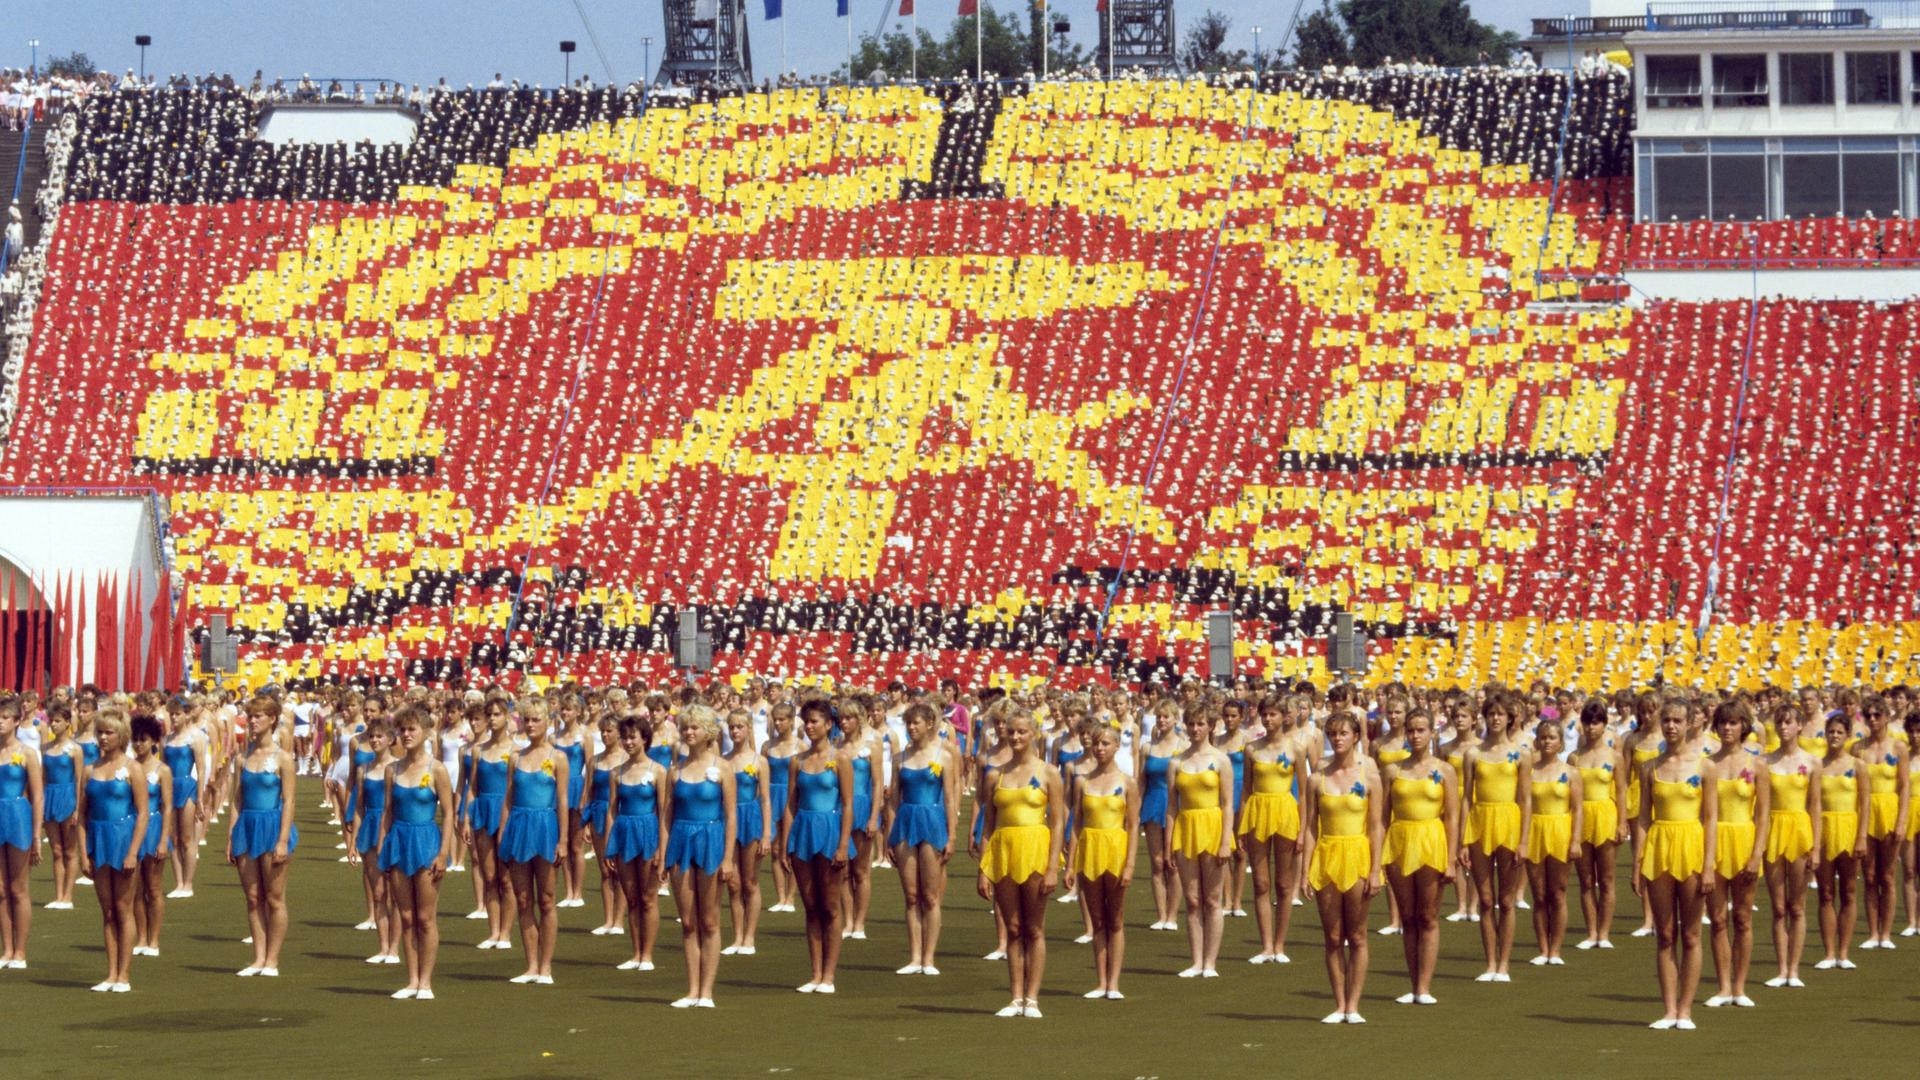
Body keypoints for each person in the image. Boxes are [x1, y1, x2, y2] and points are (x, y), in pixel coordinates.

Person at [977, 704, 1064, 1018]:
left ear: (1033, 734)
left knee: (1034, 928)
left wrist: (1053, 867)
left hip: (1036, 851)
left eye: (1021, 731)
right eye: (1010, 731)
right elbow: (988, 825)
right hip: (1003, 852)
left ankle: (1033, 998)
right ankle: (1015, 997)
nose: (1014, 736)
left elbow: (1057, 822)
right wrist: (983, 869)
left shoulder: (1048, 772)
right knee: (1013, 927)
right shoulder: (994, 774)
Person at [1638, 699, 1716, 1030]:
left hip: (1692, 846)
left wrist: (1710, 864)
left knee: (1692, 933)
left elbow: (1711, 818)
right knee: (1665, 933)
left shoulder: (1704, 767)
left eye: (1677, 720)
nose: (1671, 726)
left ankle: (1686, 1010)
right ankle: (1669, 1009)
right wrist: (1639, 861)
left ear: (1688, 724)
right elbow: (1643, 817)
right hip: (1659, 845)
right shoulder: (1649, 767)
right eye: (1666, 720)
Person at [1306, 711, 1383, 1024]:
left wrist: (1376, 870)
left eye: (1343, 734)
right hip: (1326, 854)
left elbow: (1376, 827)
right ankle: (1339, 1004)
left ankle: (1354, 1004)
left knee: (1358, 934)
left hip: (1357, 853)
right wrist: (1305, 872)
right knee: (1333, 936)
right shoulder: (1317, 778)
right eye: (1333, 734)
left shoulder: (1370, 779)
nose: (1337, 739)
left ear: (1356, 737)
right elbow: (1310, 827)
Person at [377, 704, 454, 1000]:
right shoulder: (391, 769)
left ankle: (426, 981)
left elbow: (448, 813)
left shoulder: (437, 769)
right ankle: (411, 980)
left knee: (425, 917)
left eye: (412, 729)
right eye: (402, 729)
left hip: (426, 842)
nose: (406, 734)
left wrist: (443, 852)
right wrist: (383, 849)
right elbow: (387, 812)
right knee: (406, 916)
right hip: (399, 842)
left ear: (425, 732)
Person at [1381, 709, 1458, 1004]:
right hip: (1400, 841)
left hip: (1431, 840)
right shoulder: (1393, 770)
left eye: (1421, 730)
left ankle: (1424, 987)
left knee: (1428, 915)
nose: (1415, 736)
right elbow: (1382, 817)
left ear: (1431, 733)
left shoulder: (1445, 770)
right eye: (1411, 731)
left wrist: (1450, 859)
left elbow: (1451, 816)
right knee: (1408, 915)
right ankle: (1413, 984)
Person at [665, 706, 737, 1008]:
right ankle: (692, 989)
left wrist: (728, 858)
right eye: (685, 727)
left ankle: (706, 992)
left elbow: (731, 817)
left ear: (707, 731)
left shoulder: (723, 769)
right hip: (681, 841)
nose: (689, 732)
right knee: (688, 922)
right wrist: (663, 854)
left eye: (694, 727)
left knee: (709, 920)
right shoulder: (675, 770)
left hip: (711, 840)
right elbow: (667, 815)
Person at [784, 698, 853, 994]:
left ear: (828, 725)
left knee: (830, 906)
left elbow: (848, 805)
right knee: (811, 906)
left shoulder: (840, 760)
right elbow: (790, 804)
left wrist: (842, 844)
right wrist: (786, 843)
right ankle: (814, 974)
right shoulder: (797, 761)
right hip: (803, 833)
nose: (810, 727)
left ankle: (829, 975)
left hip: (830, 832)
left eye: (815, 721)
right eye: (807, 721)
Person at [498, 696, 568, 985]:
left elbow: (563, 800)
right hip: (519, 827)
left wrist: (563, 839)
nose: (530, 725)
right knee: (523, 899)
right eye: (527, 720)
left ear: (547, 722)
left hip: (546, 827)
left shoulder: (559, 758)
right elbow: (508, 799)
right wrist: (503, 835)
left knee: (547, 899)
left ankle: (546, 967)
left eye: (536, 719)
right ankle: (531, 966)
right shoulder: (515, 757)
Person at [1460, 694, 1531, 982]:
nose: (1496, 719)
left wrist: (1524, 840)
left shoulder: (1521, 753)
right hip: (1480, 823)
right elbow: (1466, 797)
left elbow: (1526, 799)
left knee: (1507, 899)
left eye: (1501, 714)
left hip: (1509, 823)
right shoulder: (1473, 754)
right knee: (1486, 899)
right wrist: (1463, 840)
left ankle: (1504, 964)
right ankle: (1489, 962)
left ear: (1510, 718)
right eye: (1491, 714)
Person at [79, 708, 149, 993]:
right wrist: (83, 854)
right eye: (100, 732)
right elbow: (81, 816)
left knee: (124, 908)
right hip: (98, 839)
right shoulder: (89, 769)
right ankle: (110, 973)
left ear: (121, 736)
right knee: (107, 911)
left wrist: (133, 851)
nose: (103, 738)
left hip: (123, 839)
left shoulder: (133, 768)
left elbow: (143, 813)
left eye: (109, 732)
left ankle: (124, 975)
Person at [886, 702, 957, 975]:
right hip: (905, 823)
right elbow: (892, 800)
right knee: (911, 895)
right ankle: (915, 957)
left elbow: (950, 799)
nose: (911, 728)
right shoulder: (899, 758)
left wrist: (951, 836)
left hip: (932, 822)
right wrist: (889, 837)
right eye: (908, 723)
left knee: (930, 895)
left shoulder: (943, 756)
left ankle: (929, 958)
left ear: (929, 724)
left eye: (916, 723)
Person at [229, 695, 297, 977]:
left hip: (272, 826)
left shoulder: (283, 758)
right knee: (253, 896)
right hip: (246, 826)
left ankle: (272, 959)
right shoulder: (243, 757)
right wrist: (231, 837)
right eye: (250, 715)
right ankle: (257, 957)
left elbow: (290, 800)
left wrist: (282, 839)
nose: (252, 721)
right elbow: (236, 800)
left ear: (272, 719)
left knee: (274, 896)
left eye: (258, 716)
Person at [1241, 693, 1310, 964]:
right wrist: (1241, 827)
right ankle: (1266, 945)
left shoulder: (1296, 748)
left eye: (1273, 714)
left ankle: (1280, 945)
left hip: (1285, 811)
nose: (1268, 719)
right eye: (1265, 714)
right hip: (1258, 811)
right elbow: (1246, 790)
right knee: (1260, 882)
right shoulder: (1251, 749)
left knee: (1283, 883)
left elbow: (1304, 794)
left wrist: (1303, 830)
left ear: (1284, 717)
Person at [1168, 702, 1235, 978]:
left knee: (1212, 898)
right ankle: (1196, 961)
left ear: (1210, 726)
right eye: (1191, 723)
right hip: (1186, 828)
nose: (1195, 729)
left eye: (1200, 724)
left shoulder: (1221, 760)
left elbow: (1228, 803)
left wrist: (1224, 840)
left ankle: (1210, 962)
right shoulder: (1176, 761)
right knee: (1192, 899)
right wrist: (1168, 843)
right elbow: (1172, 807)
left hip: (1212, 826)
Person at [1072, 722, 1137, 999]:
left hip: (1116, 848)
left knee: (1116, 918)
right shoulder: (1082, 780)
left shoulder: (1127, 783)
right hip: (1090, 848)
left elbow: (1133, 825)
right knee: (1097, 918)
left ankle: (1114, 982)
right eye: (1096, 743)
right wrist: (1071, 862)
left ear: (1116, 746)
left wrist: (1130, 864)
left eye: (1105, 743)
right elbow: (1076, 824)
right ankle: (1101, 982)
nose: (1099, 748)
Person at [1761, 702, 1820, 987]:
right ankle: (1781, 968)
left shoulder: (1811, 762)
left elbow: (1815, 806)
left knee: (1797, 906)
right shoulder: (1764, 762)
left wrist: (1817, 847)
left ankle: (1794, 970)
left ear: (1799, 726)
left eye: (1788, 722)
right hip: (1773, 829)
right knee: (1778, 907)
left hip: (1799, 831)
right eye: (1779, 722)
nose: (1783, 727)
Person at [604, 715, 668, 973]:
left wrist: (661, 851)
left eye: (633, 737)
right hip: (624, 834)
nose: (628, 742)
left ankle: (648, 955)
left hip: (649, 833)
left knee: (648, 896)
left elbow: (664, 812)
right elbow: (611, 811)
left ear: (645, 738)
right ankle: (636, 952)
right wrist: (610, 845)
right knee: (631, 897)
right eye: (625, 737)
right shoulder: (616, 773)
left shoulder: (658, 771)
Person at [1523, 719, 1583, 966]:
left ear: (1561, 742)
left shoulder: (1570, 773)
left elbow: (1577, 809)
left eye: (1552, 738)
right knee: (1538, 894)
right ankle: (1543, 948)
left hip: (1560, 830)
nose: (1547, 742)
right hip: (1536, 829)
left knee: (1557, 892)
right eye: (1543, 737)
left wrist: (1576, 840)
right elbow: (1523, 805)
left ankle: (1556, 950)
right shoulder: (1529, 772)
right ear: (1537, 740)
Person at [1855, 696, 1909, 951]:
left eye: (1878, 715)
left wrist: (1901, 821)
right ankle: (1873, 931)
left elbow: (1905, 787)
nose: (1873, 720)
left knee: (1887, 876)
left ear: (1886, 717)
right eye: (1869, 716)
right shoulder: (1858, 749)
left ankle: (1886, 933)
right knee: (1869, 875)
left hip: (1889, 810)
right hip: (1866, 812)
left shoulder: (1898, 748)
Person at [1569, 700, 1625, 949]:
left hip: (1605, 814)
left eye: (1596, 722)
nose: (1592, 727)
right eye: (1588, 722)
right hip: (1581, 817)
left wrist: (1623, 822)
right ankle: (1591, 931)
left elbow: (1621, 791)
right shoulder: (1574, 757)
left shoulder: (1614, 756)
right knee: (1585, 879)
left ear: (1604, 724)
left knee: (1607, 878)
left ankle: (1604, 932)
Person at [1814, 713, 1867, 971]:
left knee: (1848, 891)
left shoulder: (1857, 766)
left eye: (1839, 732)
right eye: (1831, 732)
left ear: (1848, 736)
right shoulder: (1818, 765)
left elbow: (1865, 804)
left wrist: (1861, 837)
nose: (1834, 736)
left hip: (1849, 827)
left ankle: (1844, 952)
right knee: (1825, 893)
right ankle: (1829, 952)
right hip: (1824, 830)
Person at [465, 698, 516, 950]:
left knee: (506, 878)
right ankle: (493, 931)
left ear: (507, 717)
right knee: (489, 875)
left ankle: (505, 932)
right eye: (490, 714)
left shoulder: (516, 750)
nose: (493, 718)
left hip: (507, 813)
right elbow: (472, 788)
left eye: (497, 714)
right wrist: (466, 817)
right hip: (483, 812)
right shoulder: (478, 750)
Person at [720, 708, 770, 956]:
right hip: (728, 820)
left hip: (750, 819)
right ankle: (737, 936)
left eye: (739, 726)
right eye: (732, 727)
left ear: (749, 728)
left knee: (750, 881)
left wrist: (767, 834)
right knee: (733, 883)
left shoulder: (759, 761)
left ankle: (749, 937)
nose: (735, 731)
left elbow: (766, 800)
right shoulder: (724, 760)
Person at [351, 720, 401, 966]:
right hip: (370, 829)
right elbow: (359, 807)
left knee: (396, 892)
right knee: (379, 892)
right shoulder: (364, 769)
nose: (375, 740)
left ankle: (394, 948)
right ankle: (383, 947)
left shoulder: (398, 768)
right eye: (372, 736)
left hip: (393, 829)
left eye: (380, 736)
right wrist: (353, 841)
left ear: (391, 739)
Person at [0, 697, 42, 969]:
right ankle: (7, 949)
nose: (0, 722)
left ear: (16, 721)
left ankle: (21, 951)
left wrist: (37, 834)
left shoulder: (27, 753)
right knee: (1, 890)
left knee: (18, 888)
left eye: (5, 717)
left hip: (18, 818)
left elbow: (38, 796)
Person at [129, 715, 173, 959]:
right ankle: (141, 937)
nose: (138, 744)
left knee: (153, 889)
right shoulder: (128, 766)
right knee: (135, 889)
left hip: (155, 827)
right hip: (133, 827)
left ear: (154, 741)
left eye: (143, 740)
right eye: (135, 739)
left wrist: (163, 839)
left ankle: (154, 939)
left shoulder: (162, 770)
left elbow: (167, 806)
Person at [838, 698, 883, 941]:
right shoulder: (837, 747)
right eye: (841, 718)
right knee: (843, 869)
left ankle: (860, 922)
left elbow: (877, 784)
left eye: (849, 718)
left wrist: (875, 816)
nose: (844, 723)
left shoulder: (871, 747)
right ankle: (847, 920)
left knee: (862, 870)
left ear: (859, 720)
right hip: (842, 810)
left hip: (864, 807)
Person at [1136, 705, 1182, 931]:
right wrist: (1135, 809)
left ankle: (1173, 916)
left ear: (1175, 719)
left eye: (1166, 716)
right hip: (1153, 803)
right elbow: (1141, 781)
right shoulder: (1147, 747)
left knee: (1172, 861)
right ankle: (1161, 914)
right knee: (1156, 863)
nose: (1162, 720)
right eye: (1159, 717)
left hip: (1176, 805)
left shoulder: (1182, 745)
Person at [583, 712, 625, 937]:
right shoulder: (595, 760)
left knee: (620, 869)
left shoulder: (625, 759)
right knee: (605, 870)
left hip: (620, 815)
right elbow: (588, 791)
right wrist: (586, 821)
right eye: (603, 731)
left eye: (610, 731)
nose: (606, 735)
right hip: (599, 814)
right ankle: (608, 919)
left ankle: (619, 920)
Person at [39, 704, 83, 910]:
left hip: (68, 797)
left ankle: (68, 896)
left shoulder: (75, 749)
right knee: (56, 851)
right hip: (50, 796)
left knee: (70, 850)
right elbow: (42, 779)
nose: (54, 725)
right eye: (52, 721)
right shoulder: (46, 748)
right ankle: (58, 896)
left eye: (58, 721)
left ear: (67, 723)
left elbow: (80, 779)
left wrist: (77, 808)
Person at [762, 703, 800, 912]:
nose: (778, 723)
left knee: (791, 847)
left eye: (782, 719)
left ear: (791, 721)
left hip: (792, 795)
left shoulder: (800, 746)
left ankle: (792, 898)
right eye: (775, 719)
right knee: (775, 849)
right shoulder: (767, 746)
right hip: (772, 796)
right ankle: (781, 897)